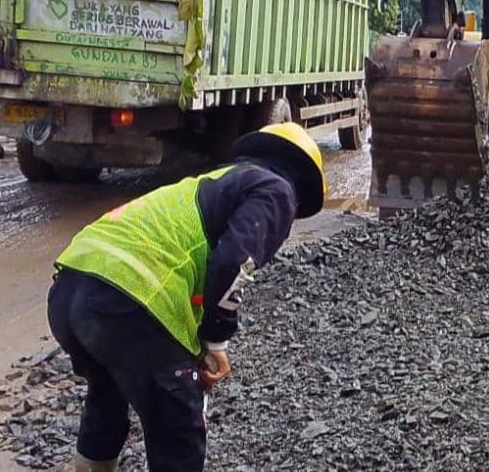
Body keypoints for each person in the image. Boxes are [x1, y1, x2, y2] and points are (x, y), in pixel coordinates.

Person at [47, 123, 327, 472]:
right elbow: (231, 263)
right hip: (126, 296)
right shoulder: (277, 190)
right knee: (178, 427)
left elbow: (188, 273)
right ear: (303, 184)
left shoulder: (208, 184)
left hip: (71, 284)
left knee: (107, 398)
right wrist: (216, 341)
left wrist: (195, 349)